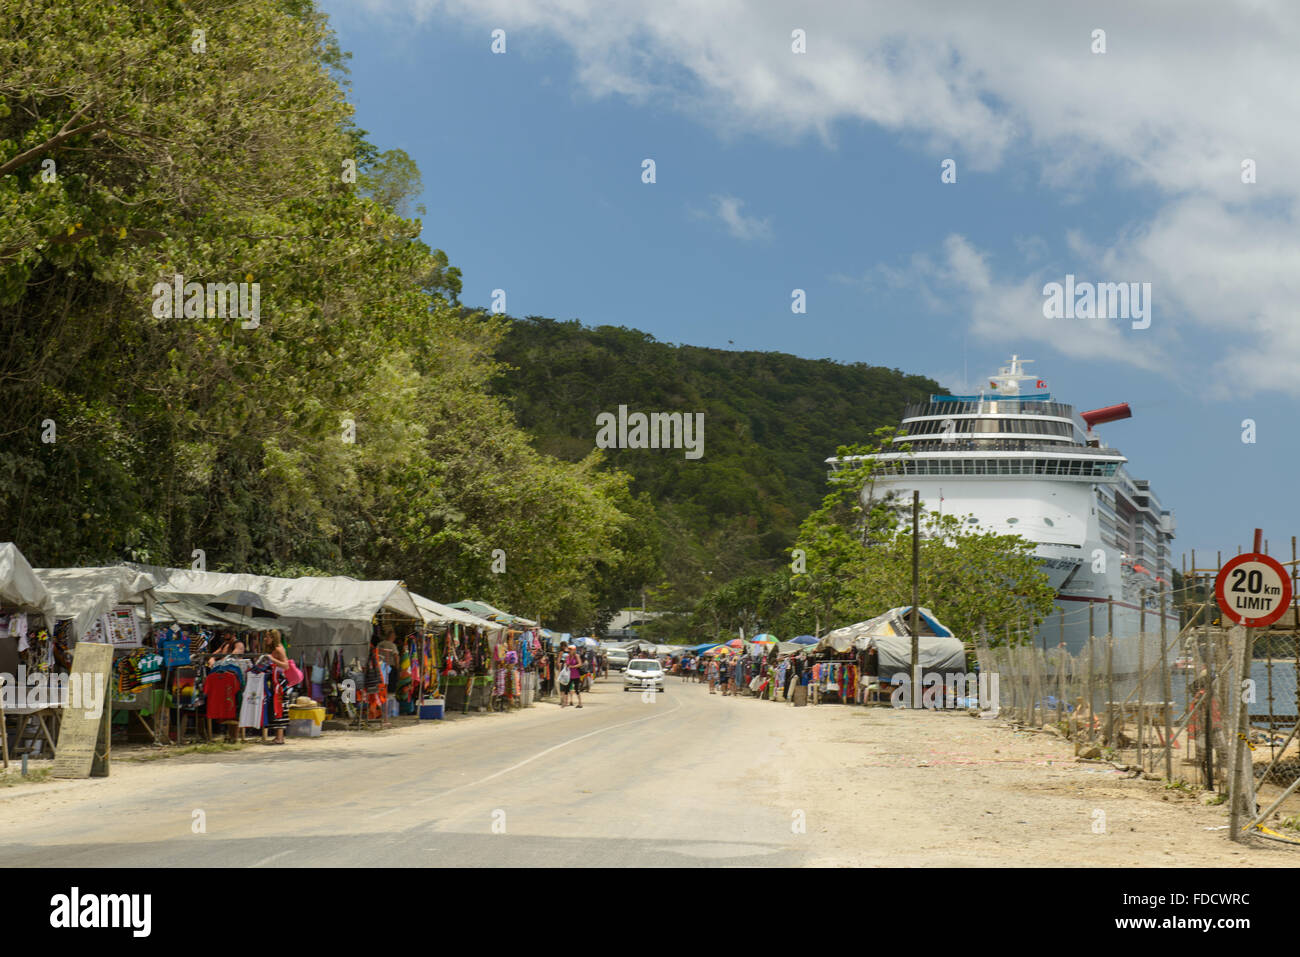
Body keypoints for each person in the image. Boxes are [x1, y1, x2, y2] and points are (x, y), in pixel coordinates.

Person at [265, 629, 293, 744]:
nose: (265, 639)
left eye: (267, 637)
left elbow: (286, 666)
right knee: (276, 707)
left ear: (273, 638)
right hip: (275, 681)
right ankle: (278, 736)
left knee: (279, 707)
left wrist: (272, 659)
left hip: (280, 683)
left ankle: (280, 737)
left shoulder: (278, 649)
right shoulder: (274, 649)